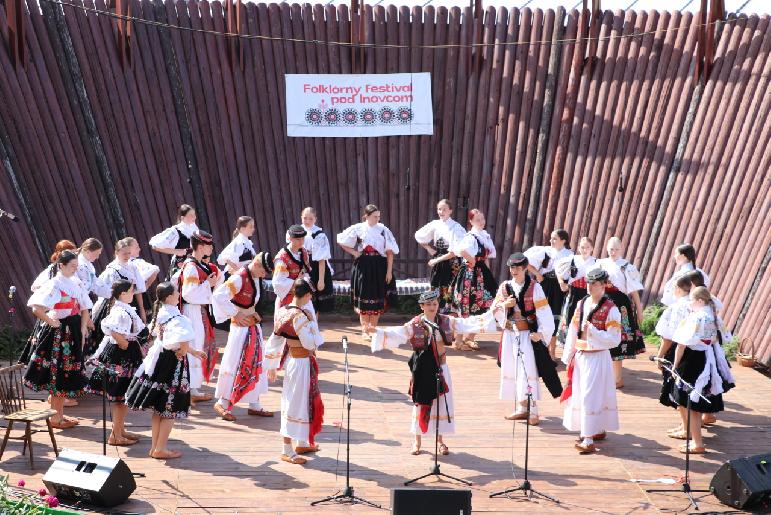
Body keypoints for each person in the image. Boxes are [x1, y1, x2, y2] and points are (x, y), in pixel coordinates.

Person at [366, 289, 497, 455]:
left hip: (441, 368)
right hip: (422, 369)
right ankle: (417, 441)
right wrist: (377, 332)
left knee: (441, 403)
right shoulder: (415, 324)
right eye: (428, 304)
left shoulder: (446, 321)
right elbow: (398, 333)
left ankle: (440, 441)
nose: (432, 307)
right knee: (420, 403)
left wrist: (494, 312)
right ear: (422, 306)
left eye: (435, 304)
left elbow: (469, 323)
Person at [125, 282, 205, 459]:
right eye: (177, 292)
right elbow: (181, 344)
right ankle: (160, 449)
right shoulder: (179, 318)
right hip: (173, 364)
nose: (179, 294)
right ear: (169, 297)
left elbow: (169, 339)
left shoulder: (161, 313)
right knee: (170, 407)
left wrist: (192, 351)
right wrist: (185, 351)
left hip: (161, 360)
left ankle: (155, 447)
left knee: (160, 408)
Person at [23, 250, 93, 429]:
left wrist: (83, 328)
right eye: (72, 267)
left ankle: (59, 415)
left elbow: (85, 307)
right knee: (59, 374)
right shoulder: (54, 284)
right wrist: (52, 322)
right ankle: (55, 418)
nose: (74, 270)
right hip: (61, 334)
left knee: (66, 373)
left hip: (74, 331)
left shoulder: (76, 282)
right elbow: (36, 308)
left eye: (76, 267)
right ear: (61, 265)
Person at [491, 253, 561, 426]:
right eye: (511, 267)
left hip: (527, 335)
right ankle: (522, 408)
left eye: (517, 267)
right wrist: (503, 306)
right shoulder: (504, 287)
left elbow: (544, 312)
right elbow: (494, 309)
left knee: (528, 371)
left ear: (524, 268)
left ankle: (534, 410)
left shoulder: (534, 287)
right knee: (514, 370)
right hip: (509, 335)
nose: (514, 271)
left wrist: (541, 333)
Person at [560, 268, 621, 454]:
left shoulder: (612, 309)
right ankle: (597, 429)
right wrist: (569, 354)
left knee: (591, 395)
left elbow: (614, 339)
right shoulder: (582, 302)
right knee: (581, 393)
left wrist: (593, 331)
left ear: (603, 286)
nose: (590, 287)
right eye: (588, 283)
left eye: (594, 284)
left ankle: (587, 439)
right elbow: (573, 328)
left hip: (598, 355)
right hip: (581, 356)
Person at [265, 279, 325, 465]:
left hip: (294, 360)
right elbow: (312, 342)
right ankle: (287, 449)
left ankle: (301, 442)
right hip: (300, 362)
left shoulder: (283, 312)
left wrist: (272, 365)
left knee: (299, 401)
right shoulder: (300, 316)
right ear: (306, 296)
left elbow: (274, 340)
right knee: (294, 402)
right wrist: (313, 324)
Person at [668, 286, 734, 454]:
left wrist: (675, 365)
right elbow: (722, 338)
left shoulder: (697, 318)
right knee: (692, 403)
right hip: (707, 358)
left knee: (690, 402)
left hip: (693, 360)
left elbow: (682, 343)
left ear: (699, 301)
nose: (689, 302)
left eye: (691, 299)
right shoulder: (714, 317)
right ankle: (695, 439)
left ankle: (697, 443)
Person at [212, 252, 274, 421]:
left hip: (252, 326)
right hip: (241, 330)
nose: (264, 276)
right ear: (257, 264)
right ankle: (222, 402)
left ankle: (254, 403)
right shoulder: (239, 277)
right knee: (236, 362)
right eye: (263, 272)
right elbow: (218, 296)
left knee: (254, 362)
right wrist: (236, 313)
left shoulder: (253, 276)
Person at [87, 280, 146, 446]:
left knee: (124, 396)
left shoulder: (123, 309)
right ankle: (115, 435)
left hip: (128, 354)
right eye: (131, 291)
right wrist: (124, 343)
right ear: (122, 294)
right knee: (120, 397)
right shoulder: (120, 310)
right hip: (122, 355)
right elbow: (112, 329)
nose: (133, 294)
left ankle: (120, 430)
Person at [337, 204, 399, 340]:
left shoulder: (383, 230)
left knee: (377, 298)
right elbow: (341, 240)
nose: (378, 219)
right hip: (363, 267)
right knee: (364, 299)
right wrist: (354, 252)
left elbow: (390, 253)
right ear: (367, 216)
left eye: (379, 216)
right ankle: (365, 330)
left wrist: (389, 272)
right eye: (375, 216)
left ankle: (373, 329)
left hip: (379, 267)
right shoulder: (358, 229)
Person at [178, 230, 223, 402]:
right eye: (209, 245)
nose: (211, 248)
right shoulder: (191, 267)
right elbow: (188, 294)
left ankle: (193, 389)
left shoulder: (199, 265)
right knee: (193, 346)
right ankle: (189, 389)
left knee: (198, 345)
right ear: (201, 246)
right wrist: (207, 285)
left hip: (199, 311)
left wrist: (211, 283)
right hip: (191, 311)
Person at [597, 237, 645, 388]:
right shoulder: (600, 264)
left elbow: (634, 292)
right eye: (611, 249)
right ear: (607, 248)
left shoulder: (626, 267)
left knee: (618, 340)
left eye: (616, 249)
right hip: (602, 304)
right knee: (600, 340)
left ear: (621, 249)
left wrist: (639, 310)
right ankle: (603, 376)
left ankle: (617, 378)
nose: (613, 252)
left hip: (621, 306)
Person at [87, 238, 147, 358]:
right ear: (116, 253)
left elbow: (138, 290)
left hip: (131, 303)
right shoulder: (111, 271)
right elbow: (106, 293)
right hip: (115, 305)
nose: (127, 256)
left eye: (129, 253)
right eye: (124, 253)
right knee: (119, 335)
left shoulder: (133, 267)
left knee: (136, 337)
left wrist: (142, 310)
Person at [448, 208, 497, 350]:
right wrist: (472, 261)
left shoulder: (484, 236)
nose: (481, 222)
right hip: (469, 275)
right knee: (466, 305)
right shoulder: (470, 236)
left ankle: (470, 337)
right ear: (471, 222)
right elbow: (461, 250)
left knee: (484, 305)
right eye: (477, 220)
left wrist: (488, 272)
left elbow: (486, 257)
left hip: (482, 273)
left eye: (482, 219)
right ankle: (458, 341)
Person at [525, 229, 574, 359]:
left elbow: (572, 274)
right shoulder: (545, 251)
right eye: (551, 238)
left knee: (555, 317)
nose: (551, 241)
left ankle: (552, 352)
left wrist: (566, 285)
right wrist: (538, 274)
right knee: (541, 315)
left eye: (554, 239)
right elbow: (526, 261)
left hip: (560, 288)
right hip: (545, 285)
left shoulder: (570, 255)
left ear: (563, 241)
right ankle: (540, 349)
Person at [654, 275, 693, 431]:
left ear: (677, 289)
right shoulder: (694, 305)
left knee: (677, 388)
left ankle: (686, 428)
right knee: (686, 388)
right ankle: (685, 425)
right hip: (693, 352)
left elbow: (667, 337)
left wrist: (660, 355)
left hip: (677, 350)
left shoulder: (675, 308)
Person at [414, 199, 466, 312]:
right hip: (439, 258)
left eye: (444, 209)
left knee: (449, 288)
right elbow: (419, 236)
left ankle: (448, 316)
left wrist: (436, 260)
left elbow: (454, 252)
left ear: (450, 211)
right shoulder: (435, 224)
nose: (441, 212)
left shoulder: (456, 227)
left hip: (452, 262)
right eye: (439, 209)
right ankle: (434, 313)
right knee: (435, 285)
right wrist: (430, 249)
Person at [287, 207, 335, 313]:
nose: (307, 221)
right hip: (300, 265)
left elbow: (321, 260)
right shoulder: (295, 231)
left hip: (316, 268)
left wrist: (321, 280)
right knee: (300, 297)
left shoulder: (319, 235)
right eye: (305, 218)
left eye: (310, 218)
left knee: (314, 302)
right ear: (301, 218)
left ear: (315, 219)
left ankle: (313, 325)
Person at [555, 237, 596, 353]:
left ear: (592, 248)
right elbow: (558, 270)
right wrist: (561, 283)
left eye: (587, 247)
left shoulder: (596, 262)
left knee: (585, 321)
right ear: (579, 248)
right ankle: (569, 351)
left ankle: (582, 348)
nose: (585, 249)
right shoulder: (572, 260)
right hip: (573, 295)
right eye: (582, 247)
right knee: (570, 320)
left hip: (588, 296)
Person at [273, 225, 316, 318]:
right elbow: (278, 283)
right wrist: (298, 282)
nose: (301, 242)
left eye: (302, 239)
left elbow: (307, 271)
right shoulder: (282, 258)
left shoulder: (304, 252)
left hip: (303, 298)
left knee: (308, 325)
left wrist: (304, 280)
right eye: (298, 239)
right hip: (288, 297)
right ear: (291, 239)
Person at [149, 204, 199, 280]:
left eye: (194, 215)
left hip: (195, 262)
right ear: (183, 218)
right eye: (191, 215)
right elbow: (155, 246)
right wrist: (176, 251)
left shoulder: (193, 227)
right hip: (181, 265)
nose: (194, 217)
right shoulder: (175, 231)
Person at [128, 237, 161, 316]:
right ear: (129, 249)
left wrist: (145, 286)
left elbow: (155, 270)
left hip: (134, 297)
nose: (139, 249)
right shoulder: (133, 263)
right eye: (136, 247)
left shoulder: (135, 262)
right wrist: (141, 309)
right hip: (136, 300)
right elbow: (155, 270)